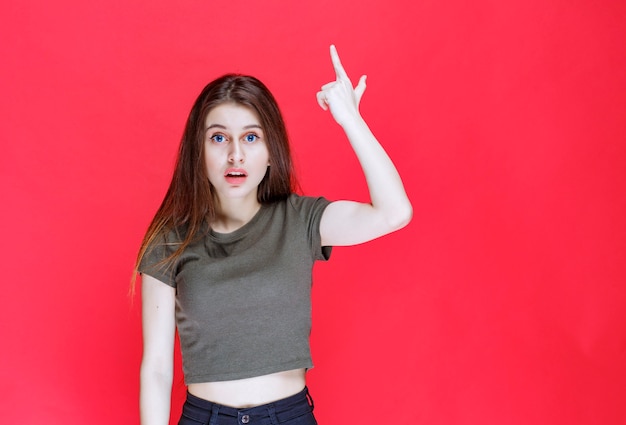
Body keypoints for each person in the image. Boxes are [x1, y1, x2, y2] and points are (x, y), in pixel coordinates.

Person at [135, 45, 412, 425]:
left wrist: (350, 119)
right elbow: (156, 368)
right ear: (198, 151)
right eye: (219, 138)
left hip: (290, 416)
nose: (236, 155)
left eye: (251, 138)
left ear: (270, 152)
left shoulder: (300, 220)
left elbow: (394, 213)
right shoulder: (170, 241)